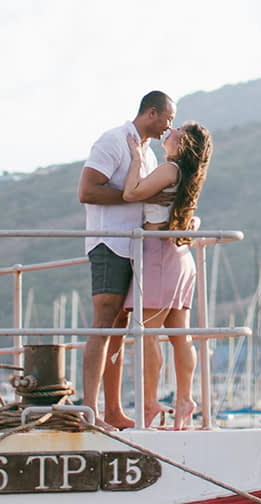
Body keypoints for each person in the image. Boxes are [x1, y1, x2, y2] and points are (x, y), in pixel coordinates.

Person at [77, 90, 174, 429]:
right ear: (151, 113)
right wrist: (136, 196)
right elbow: (87, 191)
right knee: (102, 324)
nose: (168, 126)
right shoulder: (113, 141)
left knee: (118, 327)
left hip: (135, 249)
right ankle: (89, 410)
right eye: (167, 119)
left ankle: (113, 410)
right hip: (108, 243)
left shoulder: (145, 154)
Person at [121, 122, 213, 429]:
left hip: (159, 255)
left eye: (176, 129)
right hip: (179, 256)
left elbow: (131, 192)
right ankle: (184, 400)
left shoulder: (169, 169)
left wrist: (136, 158)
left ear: (183, 142)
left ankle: (150, 403)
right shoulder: (186, 175)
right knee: (180, 335)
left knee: (147, 334)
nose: (168, 130)